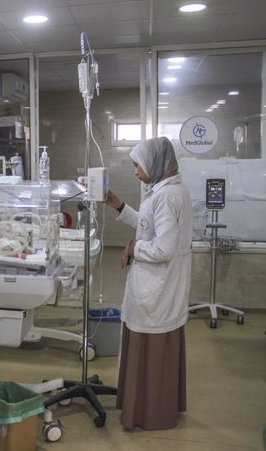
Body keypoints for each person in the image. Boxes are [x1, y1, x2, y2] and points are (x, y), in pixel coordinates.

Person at [103, 136, 193, 431]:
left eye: (136, 165)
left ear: (154, 164)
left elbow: (163, 248)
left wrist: (132, 249)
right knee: (154, 351)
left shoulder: (167, 196)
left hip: (157, 289)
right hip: (159, 288)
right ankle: (148, 408)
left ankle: (149, 414)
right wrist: (120, 206)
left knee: (151, 353)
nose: (134, 171)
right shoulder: (166, 190)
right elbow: (149, 225)